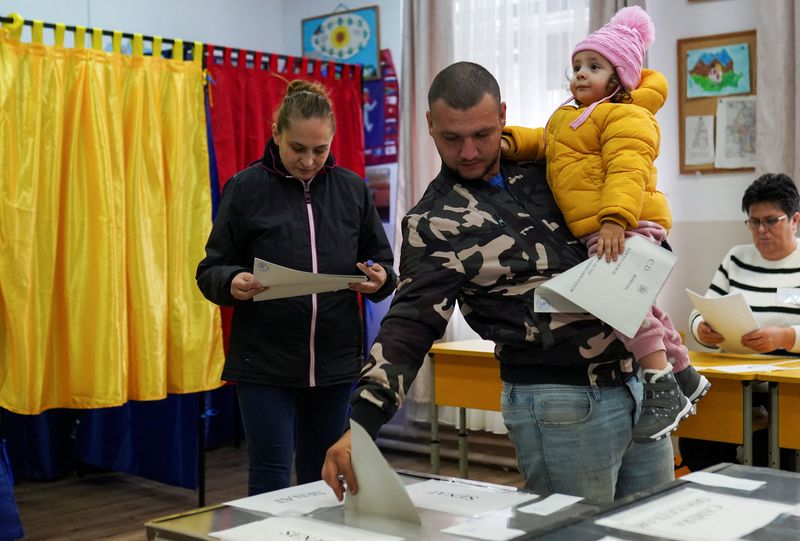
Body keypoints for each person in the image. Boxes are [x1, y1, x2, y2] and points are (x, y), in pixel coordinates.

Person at [321, 61, 675, 505]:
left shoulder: (552, 161)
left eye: (482, 135)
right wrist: (361, 426)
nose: (469, 152)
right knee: (572, 538)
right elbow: (408, 326)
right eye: (452, 138)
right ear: (429, 125)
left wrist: (648, 244)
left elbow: (627, 194)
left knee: (651, 526)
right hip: (558, 400)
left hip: (639, 381)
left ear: (503, 116)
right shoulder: (433, 223)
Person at [500, 6, 708, 443]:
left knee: (616, 301)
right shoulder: (570, 117)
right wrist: (511, 140)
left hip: (628, 222)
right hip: (606, 225)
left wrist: (615, 219)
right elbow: (545, 142)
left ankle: (660, 385)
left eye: (593, 67)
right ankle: (686, 374)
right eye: (576, 66)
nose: (579, 74)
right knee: (639, 304)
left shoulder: (626, 116)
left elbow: (628, 168)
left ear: (619, 79)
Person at [196, 80, 397, 495]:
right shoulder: (246, 188)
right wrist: (232, 281)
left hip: (335, 362)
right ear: (276, 135)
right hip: (264, 363)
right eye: (297, 149)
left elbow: (384, 266)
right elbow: (210, 269)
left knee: (321, 477)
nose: (308, 161)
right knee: (270, 478)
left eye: (319, 150)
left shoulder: (352, 190)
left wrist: (380, 280)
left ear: (332, 142)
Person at [681, 172, 800, 471]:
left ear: (795, 220)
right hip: (738, 378)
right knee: (700, 438)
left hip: (788, 387)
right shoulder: (736, 259)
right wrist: (701, 329)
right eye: (754, 221)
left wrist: (786, 337)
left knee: (772, 451)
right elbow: (701, 309)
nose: (762, 230)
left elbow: (788, 337)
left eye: (771, 220)